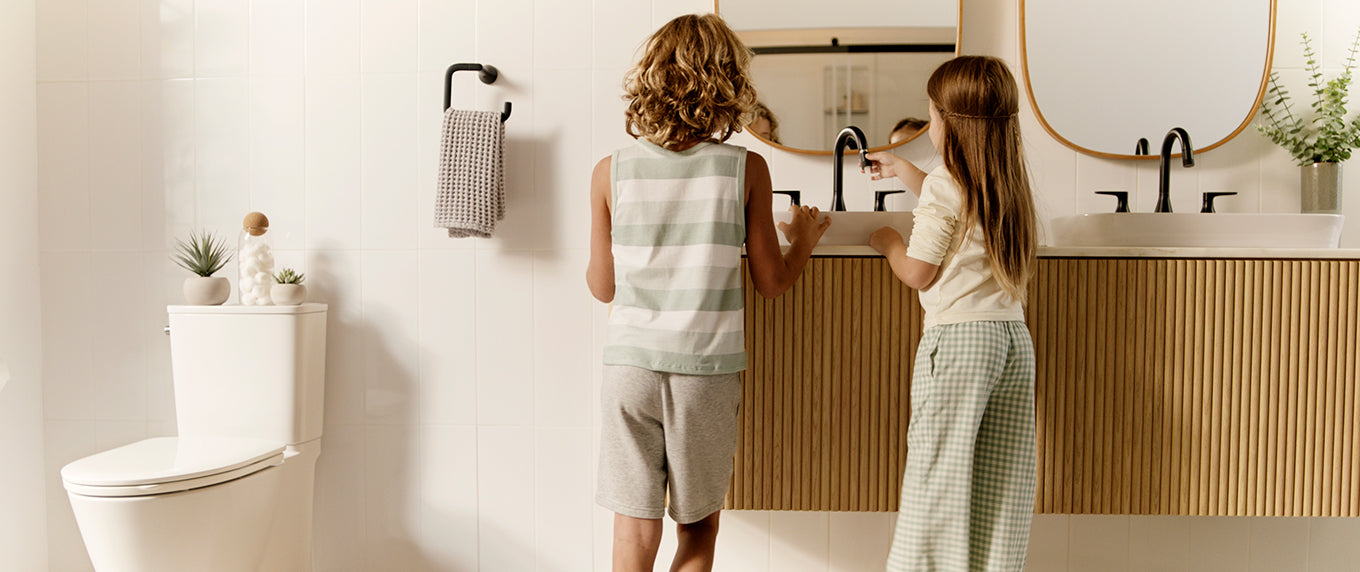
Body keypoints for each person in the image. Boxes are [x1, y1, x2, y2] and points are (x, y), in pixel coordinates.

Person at [585, 13, 830, 572]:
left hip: (629, 369)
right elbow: (771, 282)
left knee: (633, 530)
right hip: (704, 374)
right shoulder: (746, 169)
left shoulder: (609, 171)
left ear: (650, 79)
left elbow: (602, 287)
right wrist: (804, 242)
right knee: (697, 527)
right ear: (727, 84)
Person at [862, 55, 1039, 571]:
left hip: (960, 343)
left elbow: (919, 272)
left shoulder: (947, 182)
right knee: (1001, 482)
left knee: (936, 477)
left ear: (948, 123)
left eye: (932, 114)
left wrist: (889, 242)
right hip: (1011, 342)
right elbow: (961, 204)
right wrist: (906, 172)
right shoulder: (1006, 183)